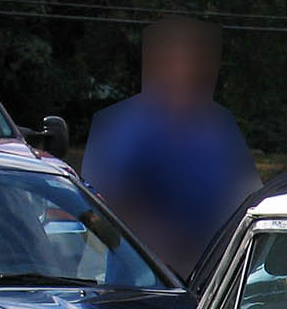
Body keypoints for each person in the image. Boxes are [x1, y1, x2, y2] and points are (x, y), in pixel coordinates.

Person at [81, 16, 258, 281]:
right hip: (140, 292)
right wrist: (146, 242)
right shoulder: (125, 126)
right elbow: (95, 210)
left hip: (205, 283)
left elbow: (248, 199)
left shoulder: (220, 127)